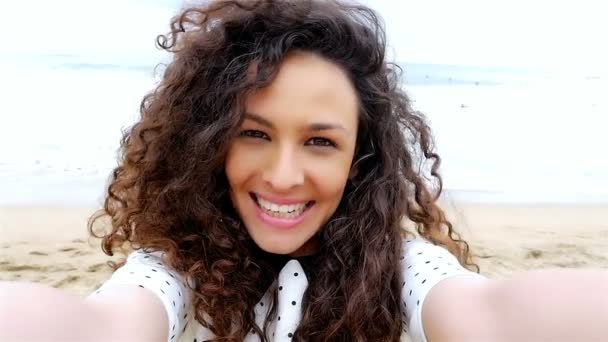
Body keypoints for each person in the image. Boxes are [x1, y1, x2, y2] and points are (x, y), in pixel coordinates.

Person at [1, 0, 607, 341]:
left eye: (319, 141)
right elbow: (99, 327)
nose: (284, 175)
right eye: (254, 134)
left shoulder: (400, 267)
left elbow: (493, 317)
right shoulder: (176, 268)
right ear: (208, 143)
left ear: (360, 156)